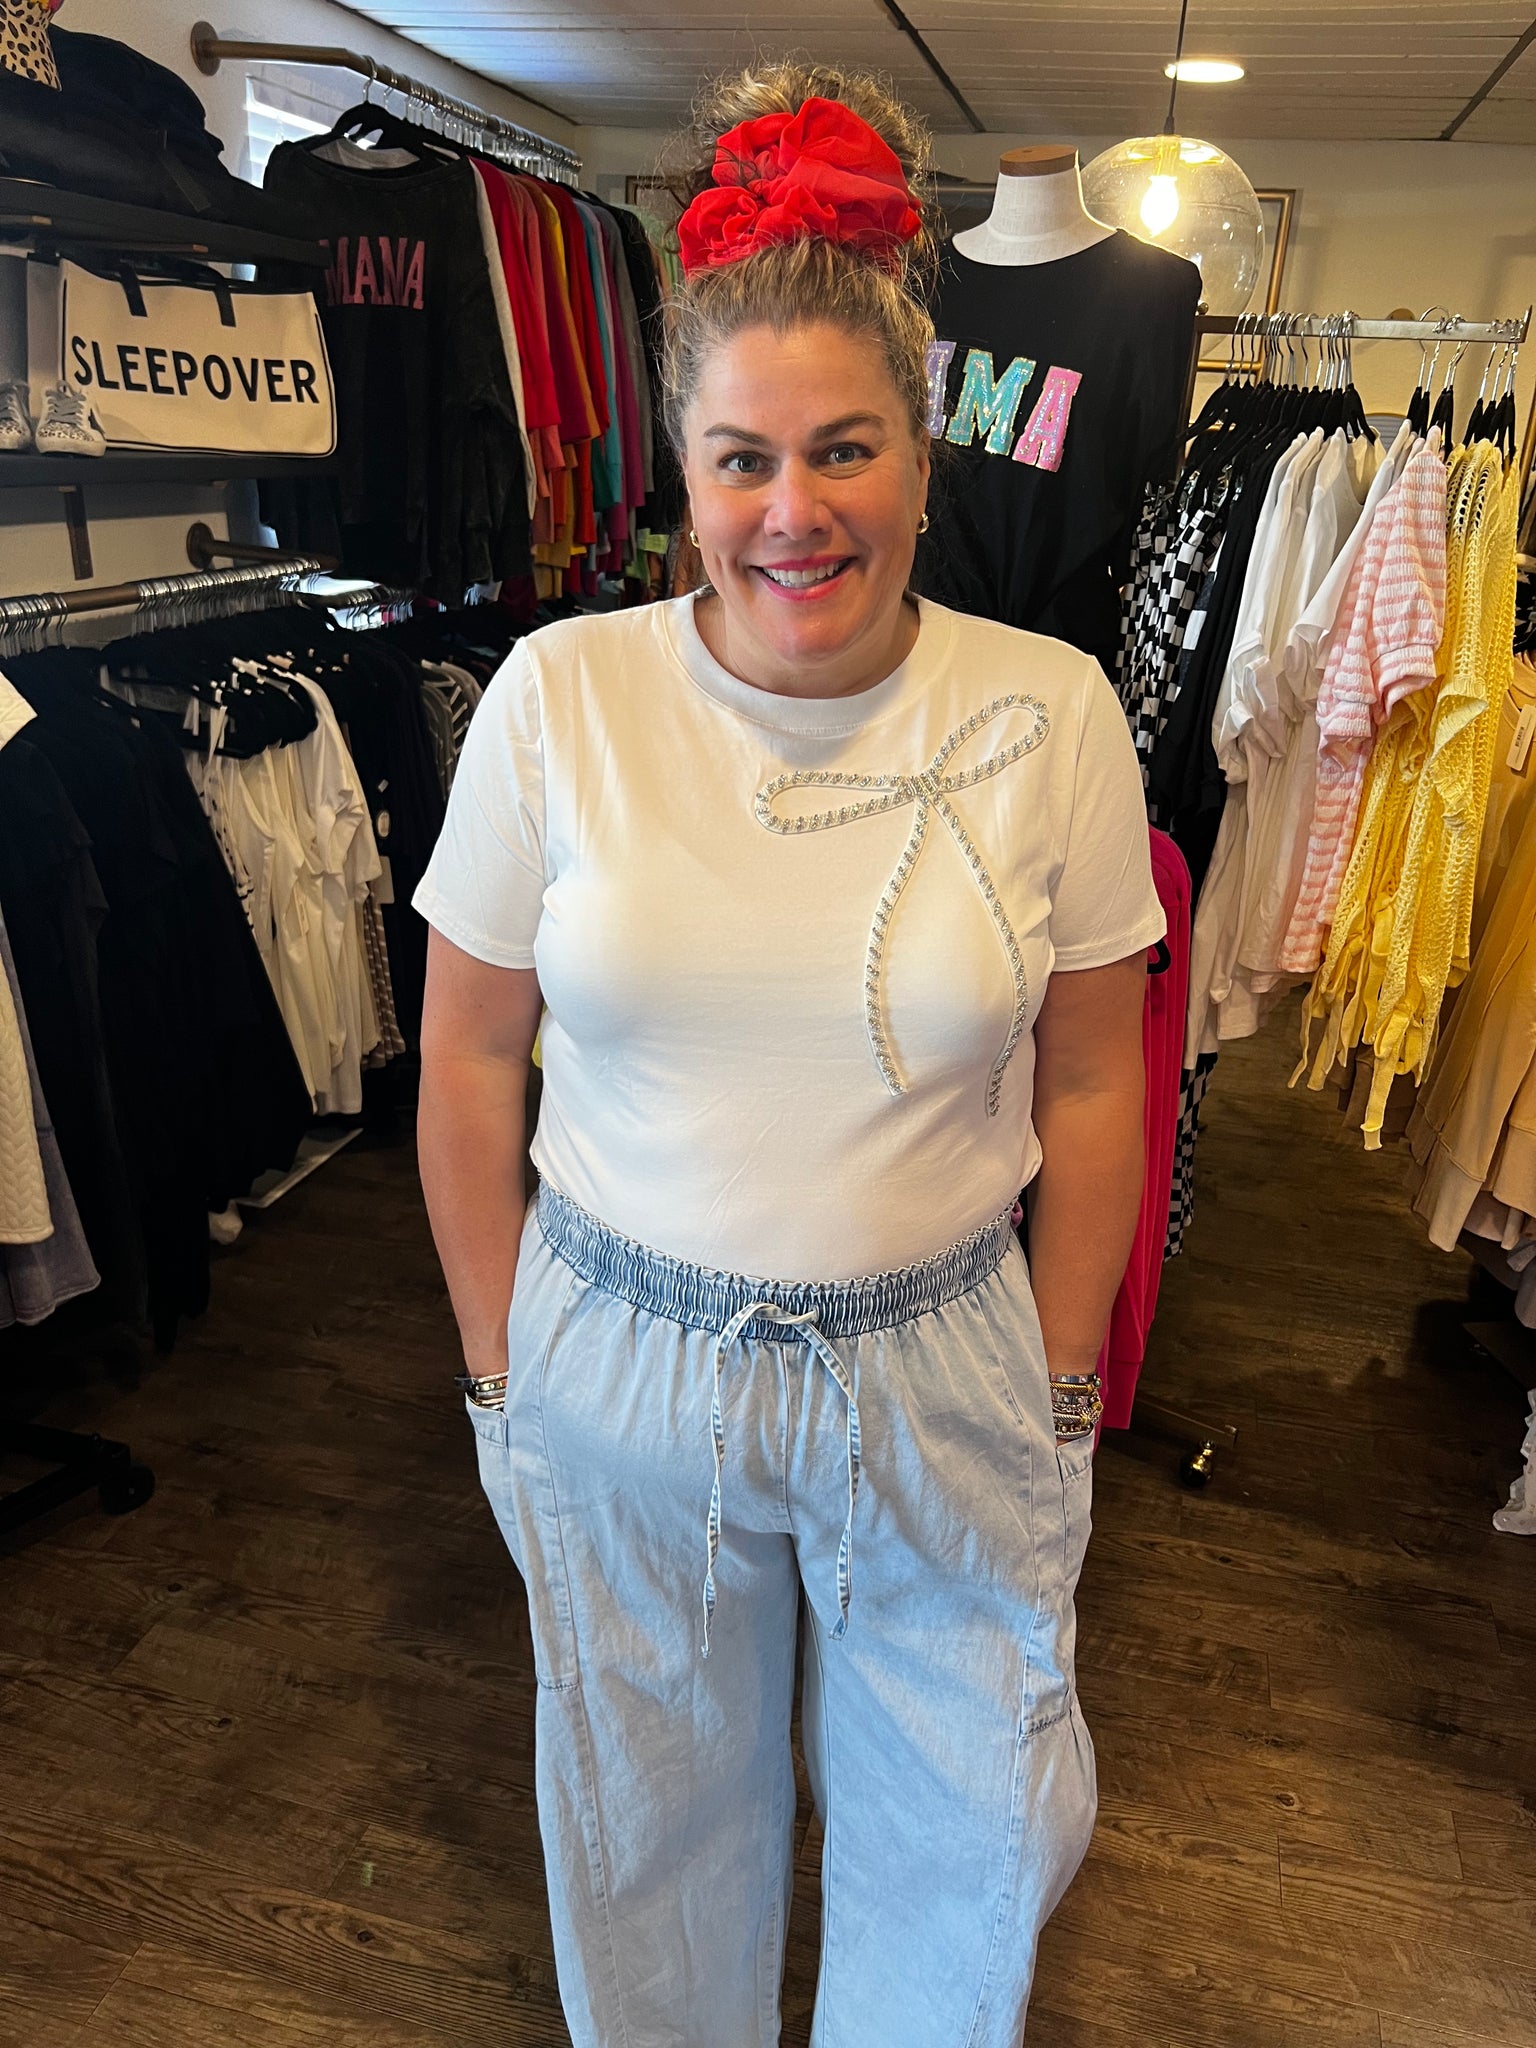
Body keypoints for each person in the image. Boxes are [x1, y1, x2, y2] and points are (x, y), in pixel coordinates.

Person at [414, 62, 1163, 2048]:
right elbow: (469, 1057)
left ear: (925, 450)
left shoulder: (1055, 713)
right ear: (680, 464)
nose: (794, 510)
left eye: (845, 449)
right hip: (616, 1357)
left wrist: (1061, 1378)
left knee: (972, 1837)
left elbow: (1098, 1079)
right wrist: (500, 1371)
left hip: (947, 1360)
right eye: (742, 457)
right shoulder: (558, 699)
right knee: (647, 1842)